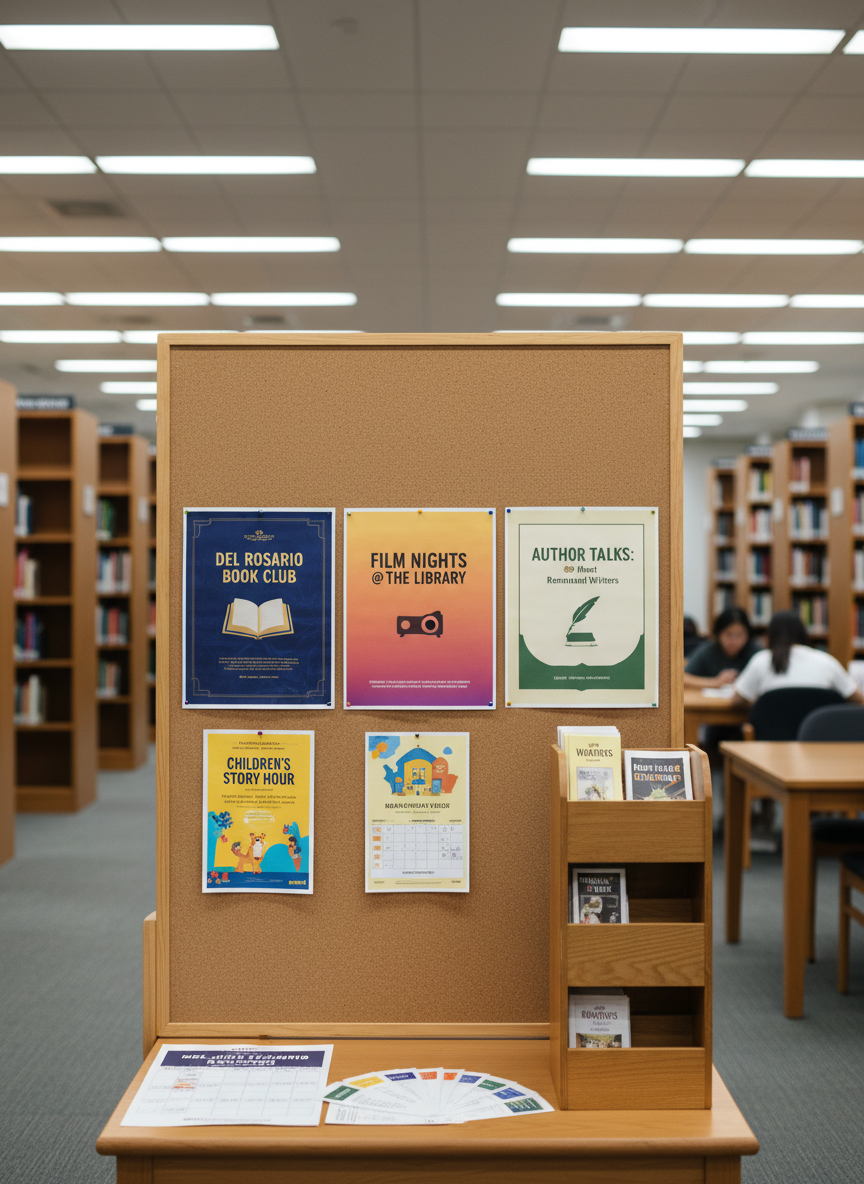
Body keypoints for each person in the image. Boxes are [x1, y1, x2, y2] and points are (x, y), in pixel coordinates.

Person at [731, 611, 863, 707]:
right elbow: (857, 699)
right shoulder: (826, 660)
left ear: (769, 637)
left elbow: (737, 700)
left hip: (773, 740)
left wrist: (761, 703)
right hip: (817, 739)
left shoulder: (762, 660)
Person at [684, 606, 759, 689]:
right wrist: (714, 682)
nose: (733, 641)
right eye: (728, 635)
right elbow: (683, 678)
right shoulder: (708, 651)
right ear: (718, 634)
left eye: (739, 635)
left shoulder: (757, 654)